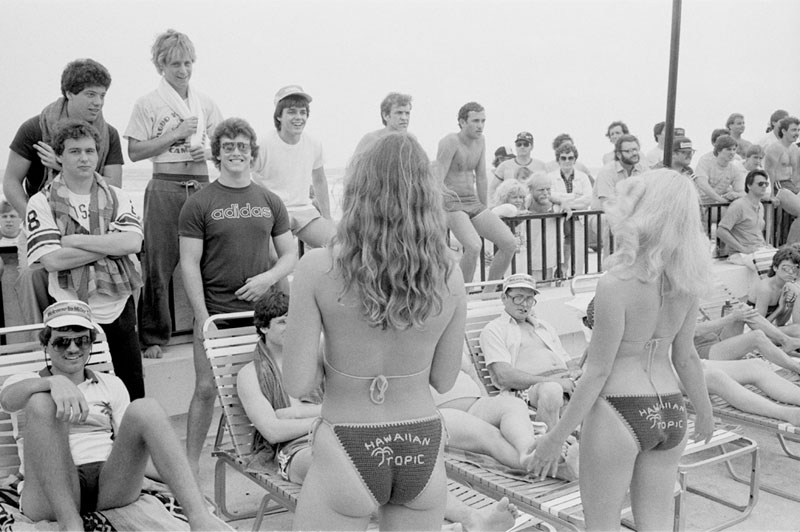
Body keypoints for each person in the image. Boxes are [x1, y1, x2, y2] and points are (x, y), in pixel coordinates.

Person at [283, 132, 466, 530]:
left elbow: (297, 382)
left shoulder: (318, 268)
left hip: (347, 443)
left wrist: (331, 354)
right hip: (421, 441)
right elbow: (445, 378)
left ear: (357, 189)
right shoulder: (450, 275)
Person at [240, 288, 518, 532]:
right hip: (294, 450)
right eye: (282, 322)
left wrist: (305, 414)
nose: (292, 327)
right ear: (263, 328)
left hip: (339, 432)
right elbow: (273, 431)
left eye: (294, 319)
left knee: (400, 467)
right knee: (342, 475)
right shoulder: (250, 374)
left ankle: (471, 519)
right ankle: (452, 525)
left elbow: (356, 398)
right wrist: (325, 417)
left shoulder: (318, 355)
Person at [530, 169, 714, 531]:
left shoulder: (616, 283)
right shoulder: (689, 280)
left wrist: (558, 435)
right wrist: (705, 412)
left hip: (620, 407)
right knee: (657, 522)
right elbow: (686, 356)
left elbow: (597, 371)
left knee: (601, 523)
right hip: (671, 408)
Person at [0, 300, 221, 530]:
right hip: (49, 494)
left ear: (90, 344)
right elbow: (7, 399)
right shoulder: (27, 382)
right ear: (46, 345)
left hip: (107, 483)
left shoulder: (110, 384)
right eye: (62, 342)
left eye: (82, 340)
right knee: (41, 402)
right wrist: (50, 383)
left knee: (146, 408)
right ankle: (70, 523)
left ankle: (201, 521)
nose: (73, 349)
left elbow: (134, 450)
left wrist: (178, 480)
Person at [179, 117, 296, 473]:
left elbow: (290, 255)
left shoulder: (269, 201)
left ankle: (281, 451)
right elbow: (188, 264)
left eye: (242, 146)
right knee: (205, 389)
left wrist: (268, 279)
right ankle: (188, 466)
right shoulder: (199, 203)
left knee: (276, 384)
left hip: (261, 318)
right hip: (216, 314)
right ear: (217, 154)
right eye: (228, 146)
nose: (235, 152)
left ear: (252, 153)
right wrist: (201, 318)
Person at [25, 120, 145, 400]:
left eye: (90, 151)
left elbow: (132, 242)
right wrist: (109, 245)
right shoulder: (41, 202)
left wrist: (75, 240)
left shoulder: (117, 196)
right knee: (81, 393)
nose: (84, 158)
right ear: (59, 156)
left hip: (118, 304)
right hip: (69, 306)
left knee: (132, 391)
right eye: (75, 151)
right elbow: (53, 260)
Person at [125, 29, 223, 360]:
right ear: (161, 66)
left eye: (187, 63)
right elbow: (135, 152)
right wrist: (176, 134)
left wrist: (207, 153)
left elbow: (224, 146)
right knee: (158, 261)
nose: (182, 70)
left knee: (212, 260)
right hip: (164, 183)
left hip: (201, 185)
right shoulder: (148, 103)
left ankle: (215, 325)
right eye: (175, 65)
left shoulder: (206, 103)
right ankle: (153, 335)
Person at [3, 59, 124, 327]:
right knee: (34, 283)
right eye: (90, 94)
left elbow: (114, 188)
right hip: (42, 224)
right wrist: (35, 221)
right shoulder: (34, 129)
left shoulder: (109, 135)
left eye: (102, 95)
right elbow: (11, 182)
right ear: (69, 93)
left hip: (94, 227)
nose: (98, 103)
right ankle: (43, 349)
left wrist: (62, 166)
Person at [480, 274, 581, 430]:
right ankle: (548, 448)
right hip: (528, 390)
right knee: (552, 390)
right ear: (504, 297)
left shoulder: (544, 326)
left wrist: (576, 371)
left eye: (529, 299)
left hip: (566, 382)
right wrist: (554, 382)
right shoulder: (495, 330)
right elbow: (504, 376)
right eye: (518, 298)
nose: (524, 304)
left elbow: (568, 361)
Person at [437, 102, 516, 288]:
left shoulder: (481, 141)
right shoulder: (450, 141)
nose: (480, 125)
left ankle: (488, 292)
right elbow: (438, 177)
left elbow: (481, 177)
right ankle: (463, 296)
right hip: (452, 202)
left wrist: (485, 208)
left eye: (483, 121)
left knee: (509, 243)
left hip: (472, 201)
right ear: (462, 122)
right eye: (475, 121)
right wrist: (437, 208)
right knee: (473, 246)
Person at [252, 85, 335, 250]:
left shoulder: (313, 144)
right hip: (272, 212)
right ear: (279, 117)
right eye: (291, 112)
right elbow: (243, 178)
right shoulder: (264, 144)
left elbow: (319, 180)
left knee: (338, 246)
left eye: (302, 112)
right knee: (277, 258)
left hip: (304, 211)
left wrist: (327, 217)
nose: (298, 117)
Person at [548, 143, 592, 276]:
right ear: (558, 159)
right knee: (556, 251)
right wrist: (574, 197)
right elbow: (550, 195)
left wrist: (563, 201)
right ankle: (560, 274)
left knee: (578, 253)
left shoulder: (583, 177)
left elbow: (588, 199)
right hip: (558, 220)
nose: (567, 161)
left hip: (578, 220)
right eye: (563, 158)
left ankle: (576, 277)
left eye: (570, 158)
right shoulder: (550, 177)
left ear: (575, 159)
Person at [745, 244, 800, 335]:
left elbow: (780, 323)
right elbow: (758, 326)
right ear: (775, 267)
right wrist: (780, 308)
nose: (790, 272)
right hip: (751, 329)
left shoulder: (787, 287)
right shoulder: (765, 289)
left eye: (795, 269)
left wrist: (790, 307)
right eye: (786, 268)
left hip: (769, 326)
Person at [716, 170, 771, 259]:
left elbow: (756, 232)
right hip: (740, 254)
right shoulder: (738, 205)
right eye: (760, 184)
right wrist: (743, 249)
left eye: (766, 184)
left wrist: (766, 246)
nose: (764, 186)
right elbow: (721, 231)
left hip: (758, 251)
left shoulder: (760, 206)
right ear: (749, 186)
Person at [352, 92, 413, 157]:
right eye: (399, 113)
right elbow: (354, 166)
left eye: (407, 113)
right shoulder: (371, 140)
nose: (404, 118)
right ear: (385, 115)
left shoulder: (411, 141)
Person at [489, 132, 547, 200]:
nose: (522, 147)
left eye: (526, 144)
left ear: (532, 146)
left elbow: (547, 188)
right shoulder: (504, 166)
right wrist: (497, 205)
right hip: (510, 207)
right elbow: (492, 189)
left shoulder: (540, 166)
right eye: (519, 144)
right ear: (515, 147)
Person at [524, 176, 562, 281]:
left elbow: (568, 236)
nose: (545, 192)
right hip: (525, 262)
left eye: (548, 189)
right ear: (530, 190)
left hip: (548, 263)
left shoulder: (557, 207)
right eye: (541, 190)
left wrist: (562, 263)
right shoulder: (523, 204)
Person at [694, 134, 746, 204]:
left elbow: (742, 193)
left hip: (714, 206)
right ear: (719, 150)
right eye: (728, 149)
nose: (732, 153)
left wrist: (736, 194)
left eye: (734, 149)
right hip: (696, 203)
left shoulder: (734, 169)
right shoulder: (706, 161)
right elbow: (702, 184)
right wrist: (720, 199)